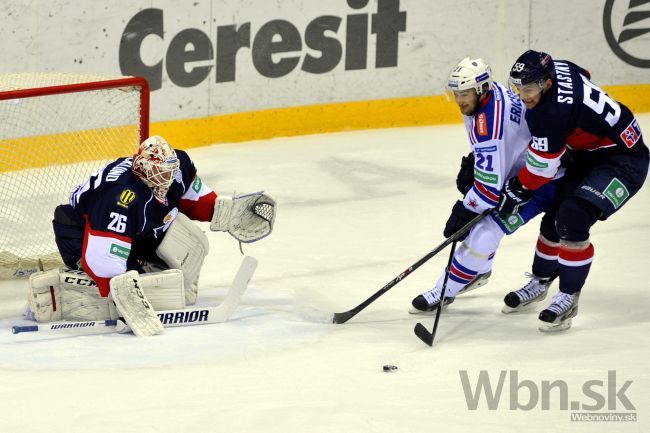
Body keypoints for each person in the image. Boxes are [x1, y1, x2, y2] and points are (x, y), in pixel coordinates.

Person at [25, 136, 276, 336]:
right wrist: (123, 291)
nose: (168, 179)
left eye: (170, 172)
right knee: (125, 284)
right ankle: (62, 293)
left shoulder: (177, 166)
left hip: (135, 232)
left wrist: (224, 212)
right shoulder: (121, 198)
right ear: (143, 171)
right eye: (161, 174)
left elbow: (194, 198)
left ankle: (149, 272)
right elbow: (102, 259)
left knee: (189, 241)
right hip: (82, 232)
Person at [499, 50, 649, 331]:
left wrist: (516, 188)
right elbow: (585, 75)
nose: (522, 95)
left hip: (624, 160)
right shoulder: (560, 67)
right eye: (517, 88)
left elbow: (541, 171)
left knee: (573, 217)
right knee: (555, 214)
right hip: (592, 152)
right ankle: (541, 281)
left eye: (528, 89)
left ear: (546, 82)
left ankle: (568, 298)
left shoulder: (549, 113)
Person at [410, 58, 561, 314]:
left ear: (480, 89)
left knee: (483, 233)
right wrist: (480, 165)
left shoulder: (486, 127)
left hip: (543, 180)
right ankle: (475, 273)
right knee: (481, 224)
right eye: (456, 94)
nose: (460, 101)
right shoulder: (495, 92)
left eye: (465, 94)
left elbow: (489, 192)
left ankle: (444, 290)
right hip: (525, 172)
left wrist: (464, 211)